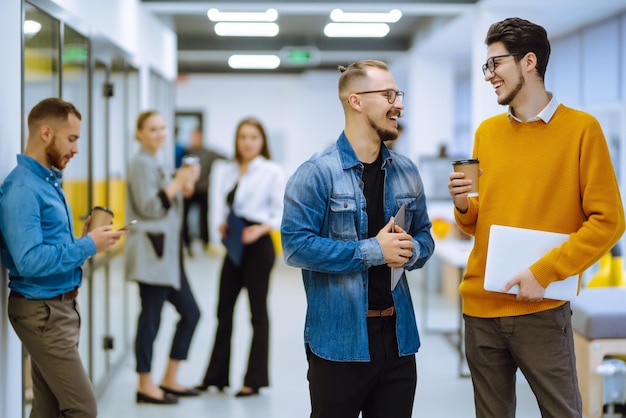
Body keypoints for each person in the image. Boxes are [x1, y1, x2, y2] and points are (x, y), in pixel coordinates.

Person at [447, 17, 625, 418]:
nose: (489, 75)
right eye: (486, 66)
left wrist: (544, 272)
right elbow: (478, 220)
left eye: (496, 64)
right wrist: (463, 206)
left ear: (529, 62)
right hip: (480, 308)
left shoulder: (583, 130)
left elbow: (609, 220)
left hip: (542, 308)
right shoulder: (486, 133)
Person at [280, 60, 435, 418]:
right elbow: (296, 246)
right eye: (389, 94)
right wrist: (372, 251)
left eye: (399, 94)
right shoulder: (316, 173)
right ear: (356, 101)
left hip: (398, 340)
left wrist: (411, 250)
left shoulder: (407, 171)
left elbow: (425, 235)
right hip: (339, 342)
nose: (399, 103)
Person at [0, 97, 126, 417]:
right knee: (83, 407)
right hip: (41, 312)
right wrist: (87, 247)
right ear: (46, 133)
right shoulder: (22, 189)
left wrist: (84, 240)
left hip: (59, 308)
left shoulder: (48, 182)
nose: (75, 148)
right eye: (72, 139)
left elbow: (48, 245)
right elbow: (28, 260)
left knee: (48, 407)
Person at [195, 117, 285, 398]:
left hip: (258, 246)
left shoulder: (271, 171)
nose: (247, 142)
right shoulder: (228, 169)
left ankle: (254, 380)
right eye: (243, 137)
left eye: (253, 138)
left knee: (257, 313)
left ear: (262, 142)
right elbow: (220, 205)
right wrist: (221, 225)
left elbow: (281, 212)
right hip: (234, 244)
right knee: (223, 310)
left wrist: (260, 229)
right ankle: (216, 376)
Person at [125, 110, 202, 405]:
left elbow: (165, 200)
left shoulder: (154, 162)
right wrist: (176, 181)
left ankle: (169, 378)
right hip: (152, 255)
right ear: (139, 133)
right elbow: (150, 207)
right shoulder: (141, 163)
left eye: (162, 128)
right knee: (151, 319)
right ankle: (145, 383)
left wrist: (181, 185)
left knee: (191, 313)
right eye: (152, 129)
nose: (159, 134)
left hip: (167, 257)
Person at [181, 126, 225, 256]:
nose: (195, 139)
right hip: (189, 190)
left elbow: (226, 157)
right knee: (184, 217)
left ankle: (206, 243)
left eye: (197, 137)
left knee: (204, 218)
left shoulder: (209, 152)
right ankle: (187, 245)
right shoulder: (186, 152)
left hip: (203, 190)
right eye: (192, 137)